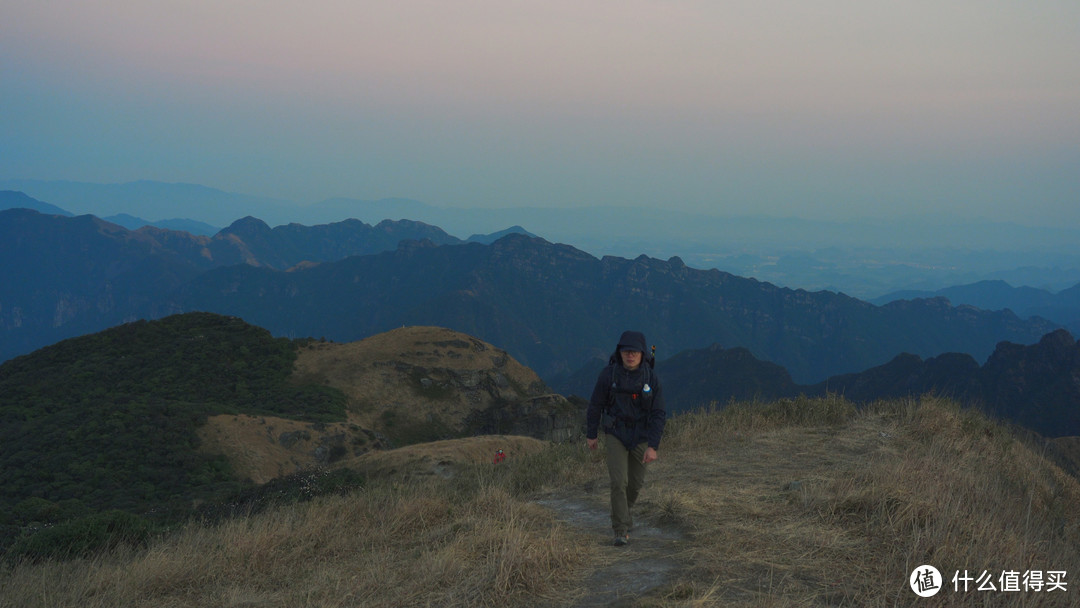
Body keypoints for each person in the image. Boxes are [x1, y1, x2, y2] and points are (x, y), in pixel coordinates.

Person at [586, 330, 667, 546]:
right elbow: (595, 405)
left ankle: (624, 513)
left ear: (642, 354)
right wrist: (591, 434)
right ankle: (620, 529)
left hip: (641, 436)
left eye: (634, 352)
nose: (629, 355)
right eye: (625, 351)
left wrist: (653, 446)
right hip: (616, 434)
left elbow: (659, 413)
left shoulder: (651, 378)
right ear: (619, 352)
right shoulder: (608, 375)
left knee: (636, 484)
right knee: (618, 481)